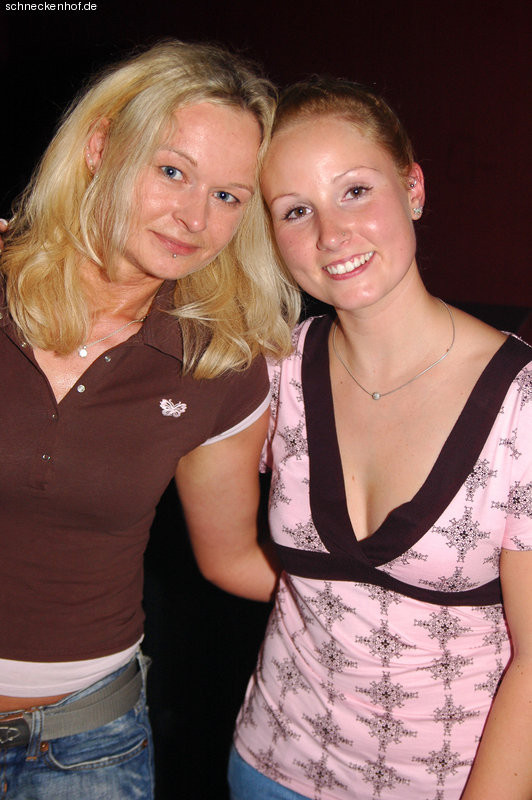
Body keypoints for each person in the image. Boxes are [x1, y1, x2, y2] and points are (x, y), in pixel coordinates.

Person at [186, 78, 532, 799]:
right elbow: (225, 559)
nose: (331, 235)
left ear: (413, 188)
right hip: (271, 765)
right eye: (296, 210)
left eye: (354, 191)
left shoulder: (521, 404)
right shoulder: (270, 373)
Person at [0, 41, 300, 799]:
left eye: (228, 195)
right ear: (101, 147)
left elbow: (231, 558)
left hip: (85, 747)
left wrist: (396, 597)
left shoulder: (218, 363)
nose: (195, 217)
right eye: (172, 171)